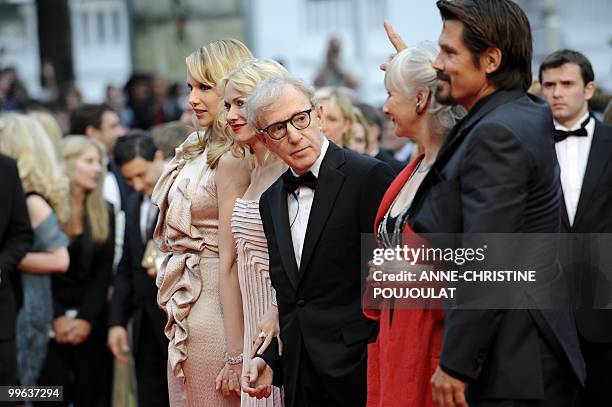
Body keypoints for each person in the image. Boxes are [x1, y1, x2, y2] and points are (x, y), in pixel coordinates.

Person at [406, 1, 586, 405]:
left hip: (515, 361)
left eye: (449, 52)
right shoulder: (515, 113)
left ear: (490, 60)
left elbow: (487, 259)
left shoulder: (496, 133)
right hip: (521, 348)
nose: (438, 63)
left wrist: (455, 364)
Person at [241, 75, 395, 406]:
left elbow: (391, 284)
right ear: (266, 140)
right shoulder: (270, 201)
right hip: (299, 374)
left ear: (320, 115)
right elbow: (287, 293)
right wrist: (269, 358)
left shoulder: (368, 176)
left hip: (359, 368)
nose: (294, 136)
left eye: (300, 119)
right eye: (279, 129)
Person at [151, 38, 252, 407]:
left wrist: (236, 352)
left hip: (216, 308)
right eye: (190, 87)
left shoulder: (235, 157)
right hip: (185, 304)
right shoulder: (195, 145)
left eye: (205, 87)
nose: (192, 98)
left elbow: (233, 258)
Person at [364, 42, 465, 407]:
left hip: (438, 359)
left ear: (421, 99)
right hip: (395, 350)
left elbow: (502, 277)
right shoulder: (411, 170)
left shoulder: (463, 169)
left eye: (391, 94)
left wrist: (413, 276)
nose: (385, 107)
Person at [539, 49, 612, 407]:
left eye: (566, 84)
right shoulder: (523, 146)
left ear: (588, 89)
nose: (556, 92)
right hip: (544, 316)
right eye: (549, 84)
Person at [220, 58, 289, 406]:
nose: (231, 114)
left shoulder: (288, 169)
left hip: (276, 319)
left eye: (240, 103)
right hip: (252, 319)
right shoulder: (251, 167)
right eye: (227, 105)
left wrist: (278, 313)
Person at [37, 136, 115, 407]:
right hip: (47, 319)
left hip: (91, 321)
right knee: (49, 394)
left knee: (91, 393)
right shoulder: (44, 209)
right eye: (89, 161)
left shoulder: (106, 210)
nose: (97, 168)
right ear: (67, 164)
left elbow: (104, 272)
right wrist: (56, 316)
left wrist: (85, 319)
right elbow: (39, 270)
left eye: (100, 163)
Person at [0, 113, 70, 387]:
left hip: (28, 309)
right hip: (24, 302)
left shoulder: (31, 200)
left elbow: (59, 258)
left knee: (22, 392)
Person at [108, 131, 169, 407]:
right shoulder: (133, 203)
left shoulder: (180, 193)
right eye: (128, 179)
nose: (136, 184)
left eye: (141, 175)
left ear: (158, 157)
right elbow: (126, 266)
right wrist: (117, 322)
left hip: (177, 324)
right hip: (143, 323)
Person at [0, 152, 33, 388]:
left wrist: (2, 265)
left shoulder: (7, 167)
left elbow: (21, 233)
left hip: (1, 309)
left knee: (7, 392)